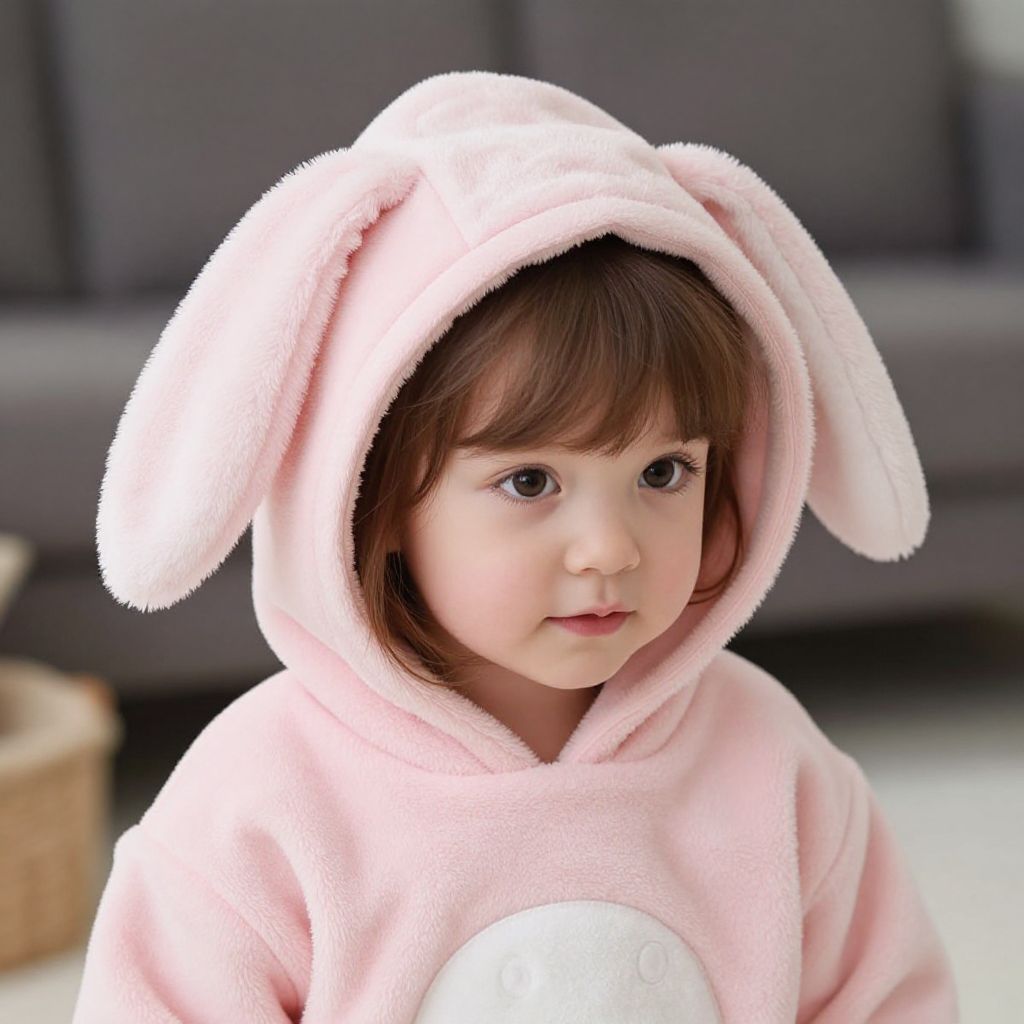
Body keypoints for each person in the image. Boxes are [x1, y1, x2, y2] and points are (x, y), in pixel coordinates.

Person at [73, 71, 959, 1021]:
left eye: (665, 473)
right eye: (530, 483)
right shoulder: (256, 803)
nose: (608, 549)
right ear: (374, 496)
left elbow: (886, 1001)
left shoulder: (776, 767)